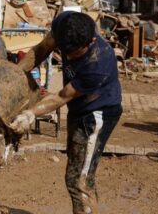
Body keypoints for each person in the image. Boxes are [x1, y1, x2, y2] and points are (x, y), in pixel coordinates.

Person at [11, 11, 122, 214]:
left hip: (97, 114)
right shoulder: (66, 23)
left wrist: (30, 113)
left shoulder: (99, 63)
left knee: (78, 180)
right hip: (79, 109)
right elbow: (43, 48)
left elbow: (62, 96)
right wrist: (15, 75)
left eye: (74, 53)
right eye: (65, 50)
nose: (68, 57)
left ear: (90, 42)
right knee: (79, 168)